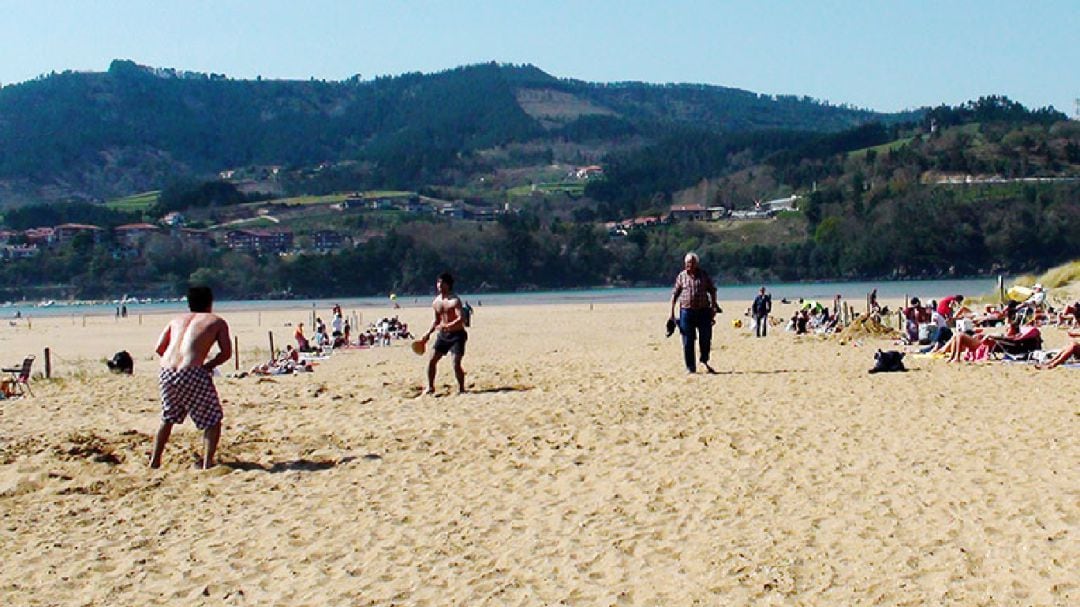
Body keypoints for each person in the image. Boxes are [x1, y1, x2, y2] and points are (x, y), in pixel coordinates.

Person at [149, 286, 231, 470]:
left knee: (168, 417)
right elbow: (226, 353)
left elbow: (159, 348)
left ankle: (155, 460)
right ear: (210, 302)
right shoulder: (216, 321)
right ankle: (207, 463)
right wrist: (208, 365)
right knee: (213, 419)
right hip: (192, 371)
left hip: (167, 372)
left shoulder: (176, 320)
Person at [669, 252, 722, 373]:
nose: (690, 265)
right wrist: (671, 313)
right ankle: (690, 367)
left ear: (696, 263)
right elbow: (675, 295)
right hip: (686, 312)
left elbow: (712, 291)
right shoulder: (681, 276)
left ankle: (704, 360)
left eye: (692, 263)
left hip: (704, 311)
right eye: (688, 263)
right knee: (688, 340)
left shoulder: (703, 275)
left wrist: (713, 308)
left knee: (705, 338)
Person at [419, 272, 468, 394]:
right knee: (432, 360)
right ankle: (430, 387)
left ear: (448, 284)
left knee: (455, 363)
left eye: (442, 282)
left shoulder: (455, 300)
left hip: (457, 335)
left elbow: (461, 318)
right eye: (438, 282)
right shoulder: (436, 302)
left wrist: (448, 325)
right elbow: (436, 320)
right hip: (443, 335)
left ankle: (461, 388)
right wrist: (427, 334)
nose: (439, 285)